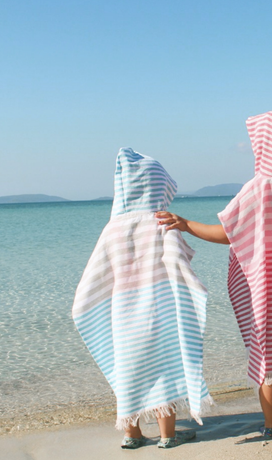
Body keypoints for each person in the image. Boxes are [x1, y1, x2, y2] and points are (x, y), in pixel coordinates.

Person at [157, 109, 272, 437]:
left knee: (267, 356)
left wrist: (185, 225)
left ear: (266, 145)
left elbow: (228, 233)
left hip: (265, 287)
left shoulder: (258, 188)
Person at [72, 148, 213, 449]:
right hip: (158, 310)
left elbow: (96, 276)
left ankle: (132, 434)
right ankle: (167, 435)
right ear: (155, 187)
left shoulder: (112, 229)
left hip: (122, 317)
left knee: (128, 371)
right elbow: (178, 259)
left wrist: (87, 307)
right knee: (164, 367)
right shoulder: (160, 222)